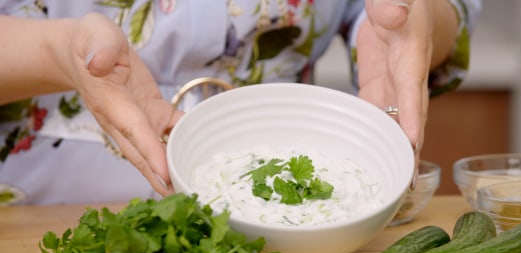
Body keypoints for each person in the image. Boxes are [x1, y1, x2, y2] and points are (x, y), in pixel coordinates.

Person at [0, 0, 481, 205]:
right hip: (36, 214)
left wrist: (414, 23)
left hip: (292, 211)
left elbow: (397, 13)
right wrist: (59, 52)